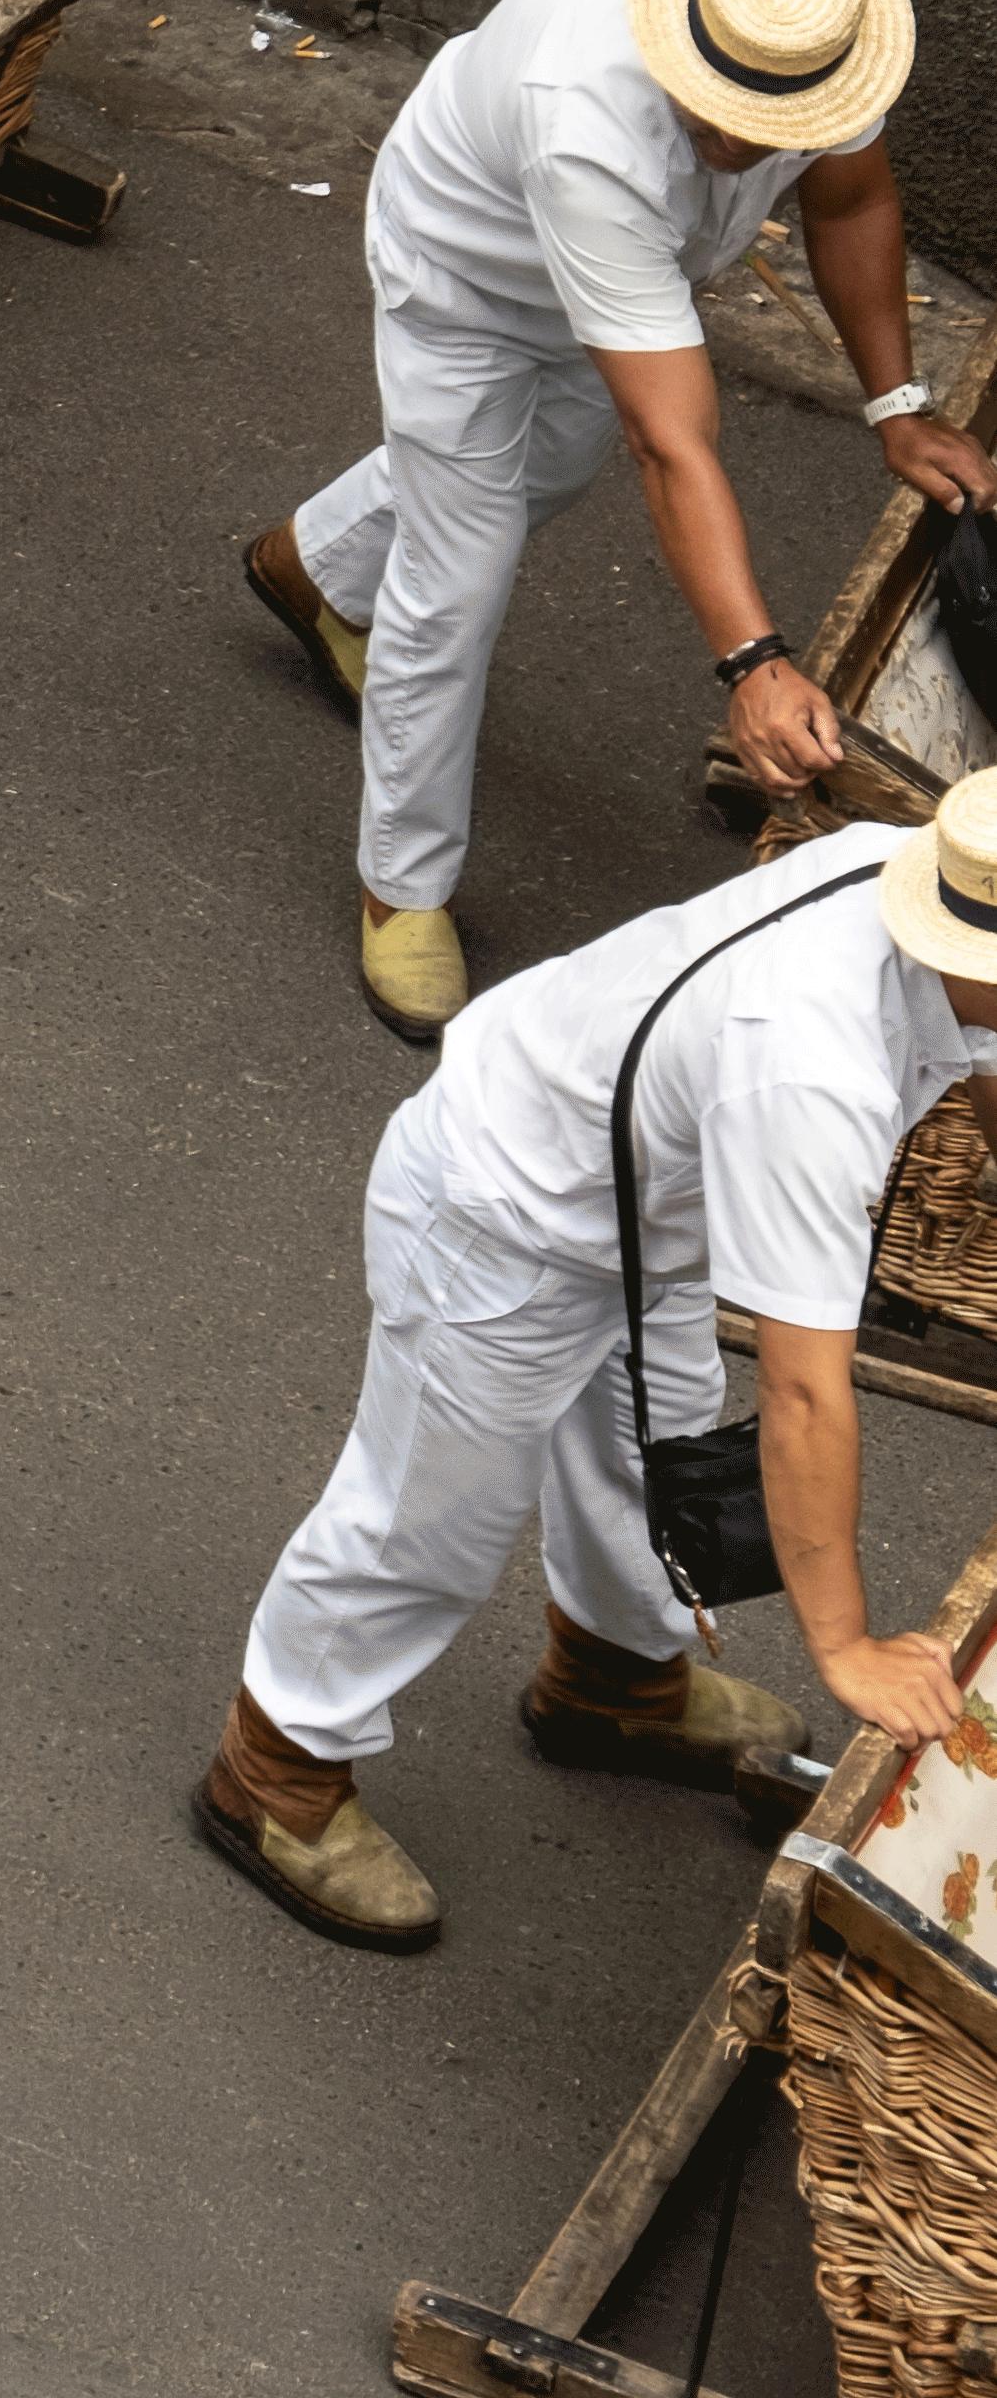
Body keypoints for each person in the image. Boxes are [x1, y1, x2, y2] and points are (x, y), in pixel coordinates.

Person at [198, 778, 997, 1952]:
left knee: (659, 1432)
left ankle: (614, 1678)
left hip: (632, 1197)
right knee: (426, 1525)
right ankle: (276, 1767)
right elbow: (806, 1393)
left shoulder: (920, 871)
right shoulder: (810, 1070)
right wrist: (847, 1648)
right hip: (500, 1209)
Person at [241, 0, 969, 1035]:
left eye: (763, 130)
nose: (736, 149)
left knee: (537, 471)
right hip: (471, 279)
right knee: (460, 573)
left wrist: (899, 403)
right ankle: (403, 883)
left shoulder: (816, 5)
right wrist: (754, 664)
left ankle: (316, 563)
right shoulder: (586, 116)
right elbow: (669, 439)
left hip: (636, 285)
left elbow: (852, 195)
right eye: (717, 116)